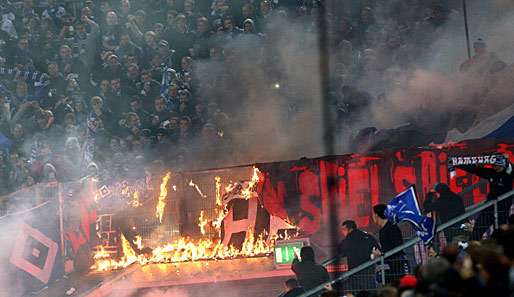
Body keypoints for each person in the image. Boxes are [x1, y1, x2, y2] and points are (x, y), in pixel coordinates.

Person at [452, 155, 513, 240]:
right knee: (478, 229)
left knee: (500, 232)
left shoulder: (509, 174)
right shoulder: (491, 173)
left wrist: (508, 162)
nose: (495, 167)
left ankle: (498, 248)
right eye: (493, 165)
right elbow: (474, 170)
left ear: (503, 165)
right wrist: (457, 164)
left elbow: (510, 169)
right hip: (489, 206)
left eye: (497, 166)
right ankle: (472, 247)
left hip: (503, 207)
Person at [371, 204, 409, 284]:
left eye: (373, 214)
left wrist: (381, 253)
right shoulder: (382, 230)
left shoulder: (392, 227)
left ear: (376, 215)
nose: (372, 217)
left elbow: (397, 246)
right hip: (389, 266)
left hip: (398, 265)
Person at [338, 220, 379, 291]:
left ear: (350, 229)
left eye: (343, 229)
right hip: (369, 272)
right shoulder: (368, 236)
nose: (342, 232)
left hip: (354, 273)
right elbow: (378, 250)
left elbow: (340, 252)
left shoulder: (347, 240)